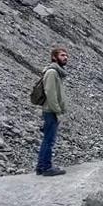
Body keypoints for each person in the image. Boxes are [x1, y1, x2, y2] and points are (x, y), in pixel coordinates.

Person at [35, 46, 69, 176]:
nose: (65, 58)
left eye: (66, 56)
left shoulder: (56, 72)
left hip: (51, 110)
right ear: (54, 57)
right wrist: (58, 112)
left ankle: (41, 166)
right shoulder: (52, 73)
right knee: (49, 140)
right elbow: (51, 94)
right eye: (62, 55)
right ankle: (46, 167)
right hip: (51, 111)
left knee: (48, 139)